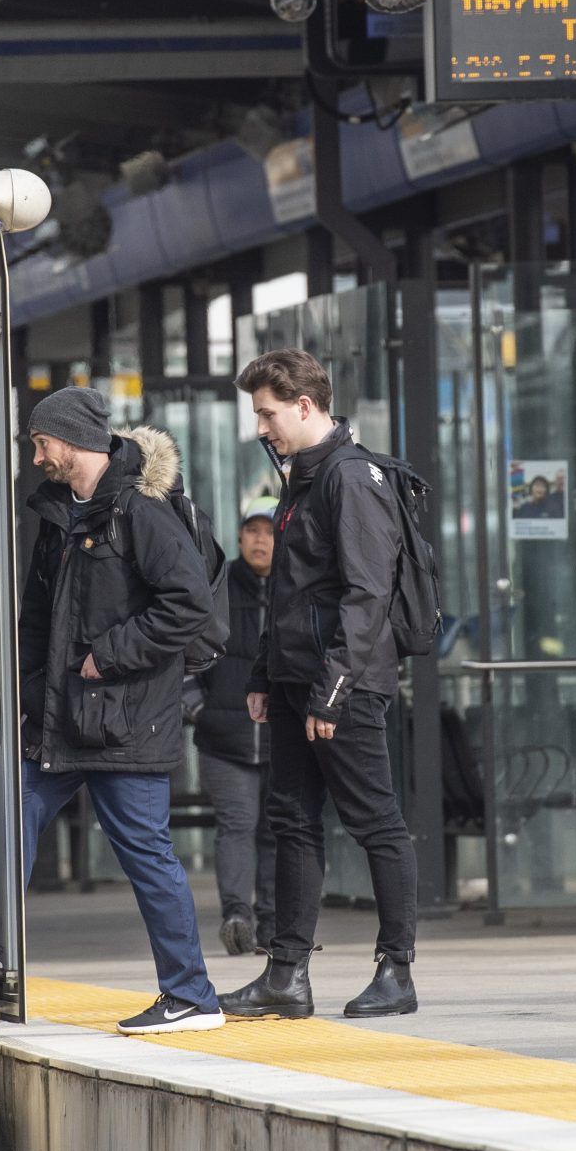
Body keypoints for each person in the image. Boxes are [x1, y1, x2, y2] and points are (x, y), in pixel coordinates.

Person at [219, 348, 420, 1021]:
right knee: (292, 823)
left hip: (344, 686)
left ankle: (396, 972)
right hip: (294, 681)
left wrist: (331, 690)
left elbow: (367, 595)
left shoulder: (350, 478)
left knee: (375, 822)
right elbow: (292, 588)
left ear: (305, 406)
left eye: (268, 413)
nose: (261, 426)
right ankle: (286, 974)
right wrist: (264, 674)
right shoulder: (302, 476)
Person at [17, 386, 223, 1036]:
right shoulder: (58, 517)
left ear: (71, 439)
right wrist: (27, 696)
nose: (34, 452)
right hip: (64, 721)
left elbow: (189, 603)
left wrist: (110, 656)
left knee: (146, 854)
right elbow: (36, 621)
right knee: (6, 825)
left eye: (39, 440)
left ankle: (191, 996)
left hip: (125, 721)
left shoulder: (140, 511)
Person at [192, 497, 281, 957]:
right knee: (237, 825)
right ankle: (237, 916)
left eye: (268, 531)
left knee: (275, 829)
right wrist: (195, 704)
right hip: (224, 737)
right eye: (252, 531)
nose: (260, 540)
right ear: (240, 536)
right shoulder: (219, 584)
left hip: (281, 738)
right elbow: (189, 642)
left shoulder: (296, 586)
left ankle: (270, 920)